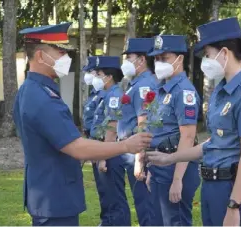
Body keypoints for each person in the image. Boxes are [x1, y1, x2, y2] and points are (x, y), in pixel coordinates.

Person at [12, 22, 152, 226]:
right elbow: (76, 147)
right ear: (41, 56)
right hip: (55, 197)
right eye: (59, 52)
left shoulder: (30, 90)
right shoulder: (42, 97)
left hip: (49, 193)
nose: (65, 58)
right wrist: (126, 146)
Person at [145, 17, 241, 226]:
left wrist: (234, 205)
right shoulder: (220, 92)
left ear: (224, 53)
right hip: (211, 186)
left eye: (207, 54)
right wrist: (170, 159)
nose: (205, 61)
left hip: (231, 188)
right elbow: (213, 144)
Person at [144, 35, 201, 226]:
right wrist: (152, 167)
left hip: (176, 166)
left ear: (180, 59)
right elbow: (157, 132)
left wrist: (178, 178)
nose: (159, 63)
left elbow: (188, 136)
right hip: (159, 165)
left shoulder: (184, 92)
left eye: (165, 58)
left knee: (175, 221)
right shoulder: (161, 90)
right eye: (157, 59)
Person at [105, 37, 157, 226]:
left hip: (137, 151)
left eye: (129, 58)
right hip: (129, 148)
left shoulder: (144, 85)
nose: (125, 63)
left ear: (142, 60)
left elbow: (144, 121)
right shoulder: (135, 84)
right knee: (142, 204)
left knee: (146, 208)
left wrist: (139, 159)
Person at [89, 56, 132, 225]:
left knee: (114, 197)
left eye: (98, 74)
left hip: (109, 152)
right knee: (106, 196)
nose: (95, 78)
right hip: (101, 148)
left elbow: (112, 127)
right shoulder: (105, 95)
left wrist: (103, 156)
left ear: (109, 76)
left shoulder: (114, 95)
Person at [81, 56, 110, 226]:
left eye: (92, 72)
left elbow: (109, 123)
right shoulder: (94, 94)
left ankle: (109, 220)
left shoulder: (106, 94)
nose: (90, 75)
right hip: (93, 142)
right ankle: (105, 219)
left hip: (102, 144)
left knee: (108, 190)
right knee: (102, 189)